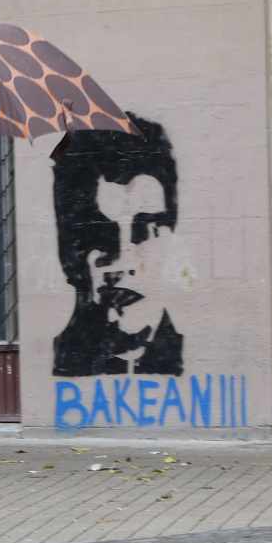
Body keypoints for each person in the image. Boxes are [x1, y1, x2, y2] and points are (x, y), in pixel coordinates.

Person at [51, 113, 182, 377]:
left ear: (170, 238)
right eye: (100, 233)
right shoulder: (67, 363)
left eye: (145, 230)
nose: (125, 261)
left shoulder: (175, 357)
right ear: (68, 252)